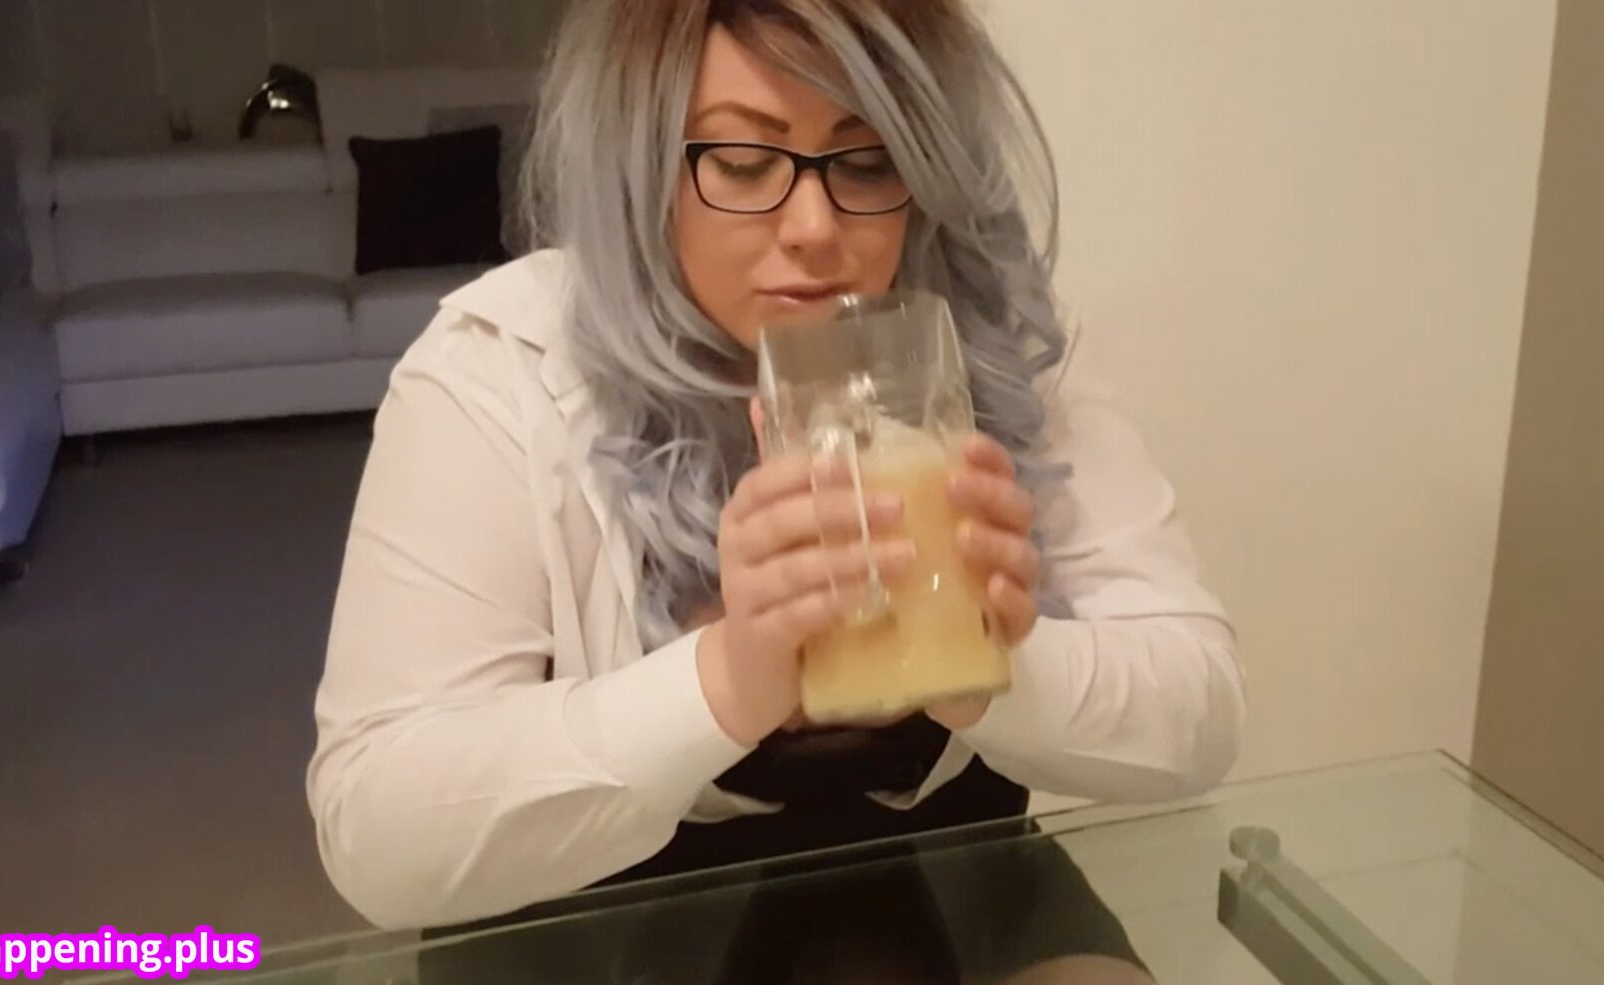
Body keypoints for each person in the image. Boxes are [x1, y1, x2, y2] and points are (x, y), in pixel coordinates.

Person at [308, 0, 1245, 980]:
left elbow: (1201, 707)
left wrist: (996, 667)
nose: (814, 228)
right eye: (744, 163)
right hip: (587, 911)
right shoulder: (502, 367)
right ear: (640, 165)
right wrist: (724, 679)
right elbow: (379, 832)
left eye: (869, 161)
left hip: (949, 874)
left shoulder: (986, 344)